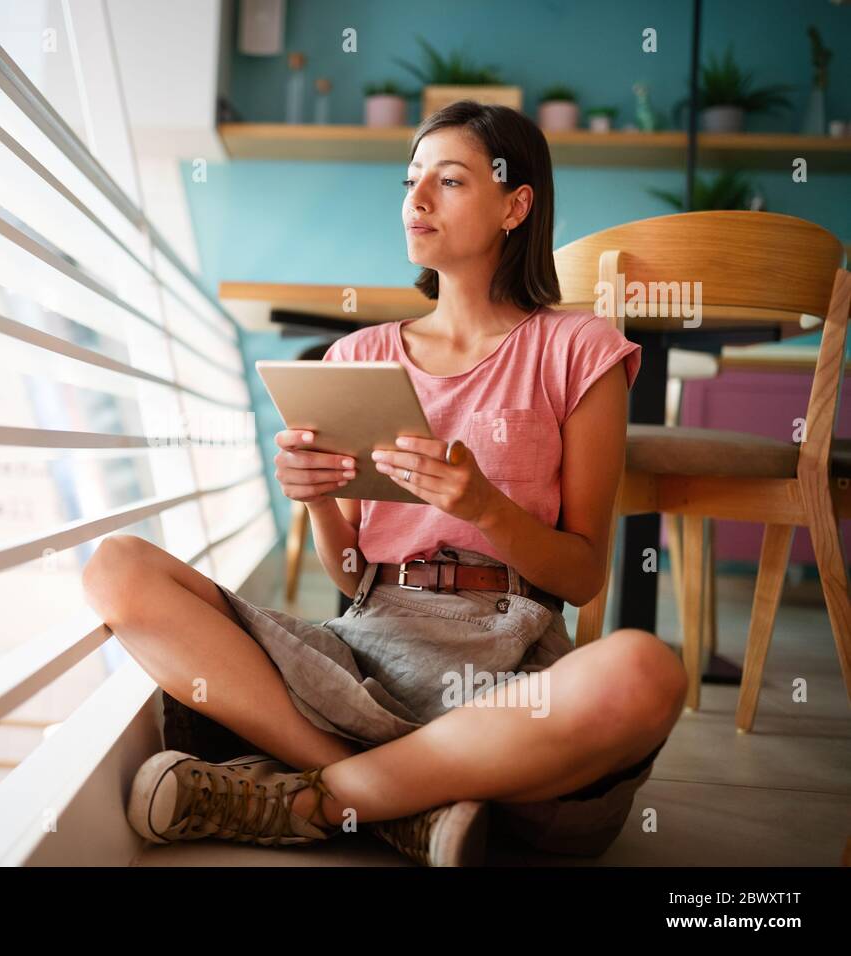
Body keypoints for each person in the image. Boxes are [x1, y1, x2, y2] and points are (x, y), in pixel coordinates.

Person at [82, 100, 687, 866]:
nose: (417, 200)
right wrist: (318, 503)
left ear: (515, 204)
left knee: (647, 672)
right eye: (411, 181)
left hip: (505, 663)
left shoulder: (579, 350)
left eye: (450, 181)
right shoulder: (357, 356)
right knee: (117, 569)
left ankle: (324, 798)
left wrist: (483, 508)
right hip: (370, 647)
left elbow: (583, 573)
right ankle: (399, 801)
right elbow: (349, 575)